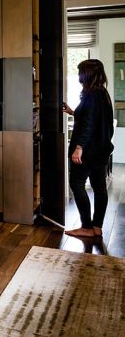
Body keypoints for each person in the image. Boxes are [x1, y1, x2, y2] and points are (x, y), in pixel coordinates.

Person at [62, 59, 114, 238]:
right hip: (101, 150)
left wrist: (79, 147)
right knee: (99, 187)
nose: (78, 75)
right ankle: (97, 227)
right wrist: (73, 112)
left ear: (88, 73)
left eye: (80, 72)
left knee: (76, 184)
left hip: (88, 151)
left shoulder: (92, 95)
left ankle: (86, 227)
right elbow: (93, 119)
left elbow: (89, 124)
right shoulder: (102, 93)